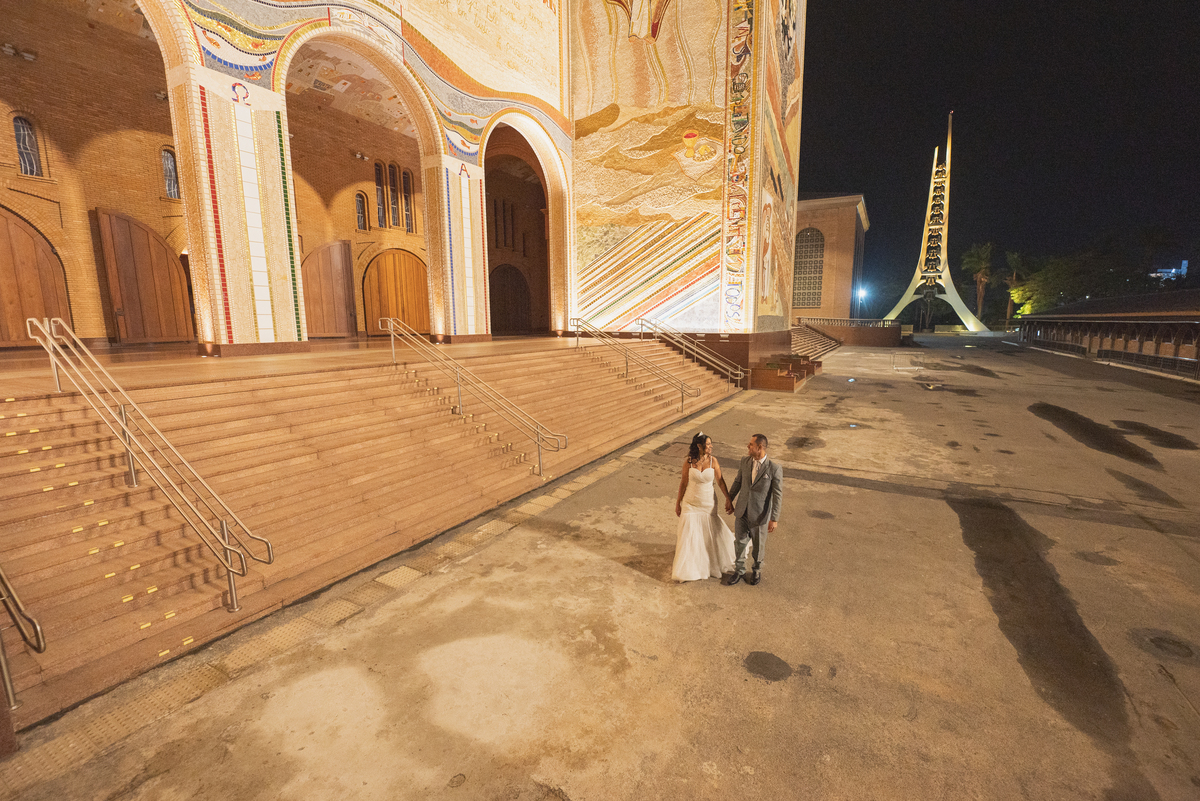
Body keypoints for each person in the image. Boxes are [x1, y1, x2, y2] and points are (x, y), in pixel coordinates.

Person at [671, 432, 736, 582]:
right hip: (690, 503)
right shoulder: (688, 462)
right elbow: (683, 483)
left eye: (710, 443)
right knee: (689, 534)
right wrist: (678, 503)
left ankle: (707, 562)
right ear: (699, 446)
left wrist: (728, 499)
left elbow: (720, 482)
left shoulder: (714, 461)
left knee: (708, 534)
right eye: (708, 444)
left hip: (708, 503)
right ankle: (688, 568)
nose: (711, 446)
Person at [722, 433, 783, 586]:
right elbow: (738, 481)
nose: (748, 447)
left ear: (760, 447)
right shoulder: (745, 461)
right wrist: (729, 499)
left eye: (751, 445)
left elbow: (777, 495)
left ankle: (756, 570)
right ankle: (739, 570)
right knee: (740, 542)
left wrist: (774, 519)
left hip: (759, 515)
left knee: (758, 545)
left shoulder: (774, 468)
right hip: (742, 511)